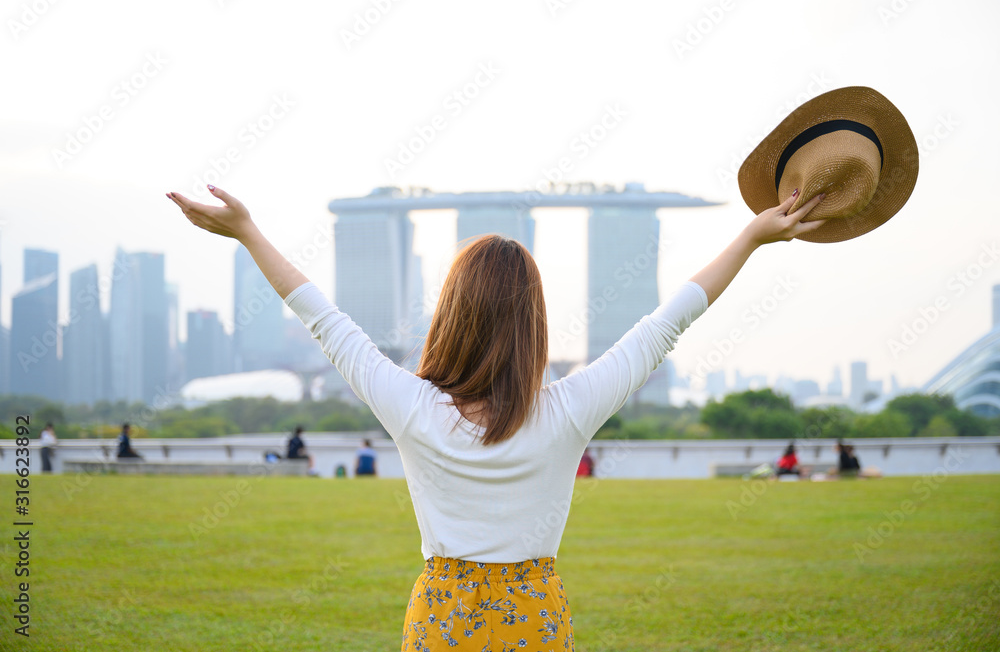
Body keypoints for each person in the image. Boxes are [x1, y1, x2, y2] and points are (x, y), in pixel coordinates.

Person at [168, 181, 827, 648]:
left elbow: (324, 320)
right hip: (534, 616)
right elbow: (668, 322)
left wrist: (247, 231)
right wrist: (751, 235)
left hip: (442, 618)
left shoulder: (413, 409)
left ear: (450, 314)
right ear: (534, 324)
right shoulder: (569, 410)